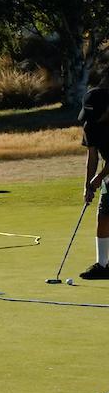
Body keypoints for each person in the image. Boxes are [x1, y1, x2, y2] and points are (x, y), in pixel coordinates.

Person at [81, 86, 109, 279]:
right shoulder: (90, 124)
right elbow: (92, 157)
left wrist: (99, 177)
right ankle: (103, 266)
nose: (93, 120)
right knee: (104, 215)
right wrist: (87, 186)